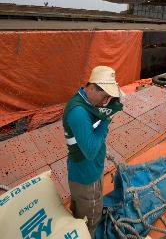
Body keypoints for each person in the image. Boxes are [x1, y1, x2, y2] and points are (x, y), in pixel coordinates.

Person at [63, 66, 123, 238]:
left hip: (90, 170)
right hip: (85, 175)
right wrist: (106, 120)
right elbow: (89, 150)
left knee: (82, 208)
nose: (106, 102)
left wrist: (106, 111)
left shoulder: (87, 102)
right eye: (105, 97)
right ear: (95, 88)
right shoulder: (79, 112)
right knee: (90, 216)